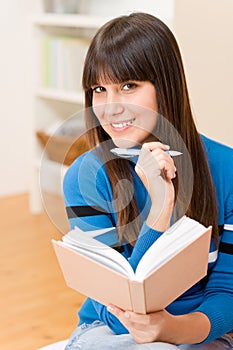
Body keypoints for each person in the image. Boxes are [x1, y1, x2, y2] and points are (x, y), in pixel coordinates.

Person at [62, 12, 233, 349]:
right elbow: (118, 308)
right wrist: (160, 208)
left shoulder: (226, 168)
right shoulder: (84, 178)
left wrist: (173, 329)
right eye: (99, 89)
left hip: (199, 329)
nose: (110, 108)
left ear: (166, 85)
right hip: (111, 330)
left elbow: (228, 291)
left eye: (128, 86)